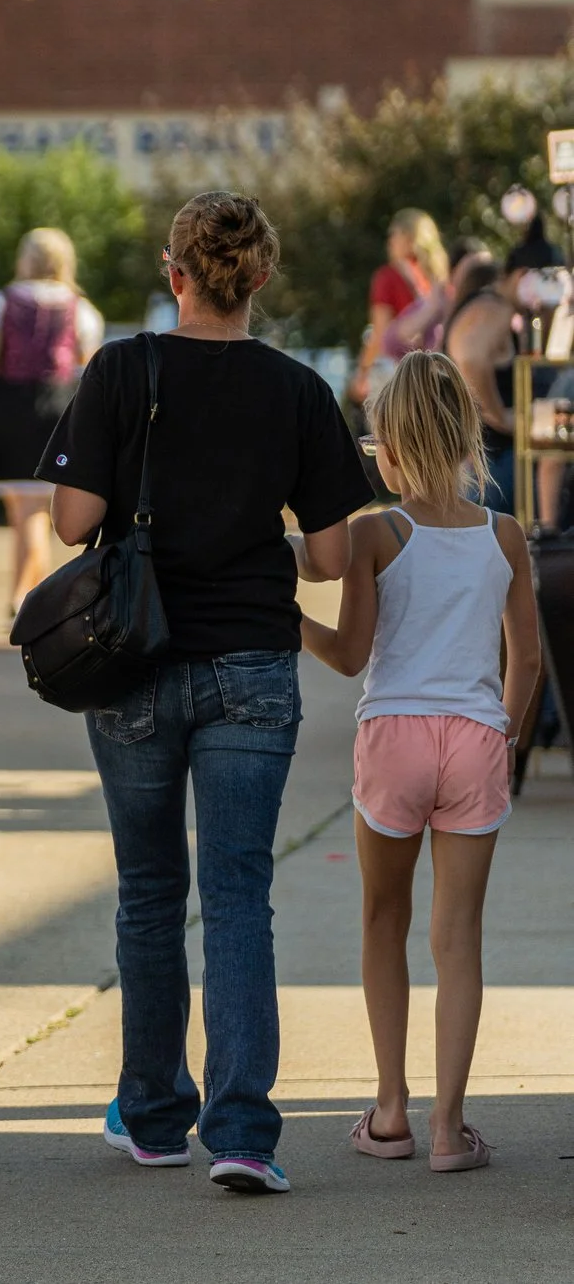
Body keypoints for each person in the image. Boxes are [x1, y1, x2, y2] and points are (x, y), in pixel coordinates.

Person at [42, 191, 375, 1196]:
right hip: (251, 664)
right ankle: (241, 1130)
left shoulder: (119, 369)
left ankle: (151, 1112)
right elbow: (325, 554)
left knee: (149, 893)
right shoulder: (299, 391)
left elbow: (67, 523)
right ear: (259, 279)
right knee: (238, 897)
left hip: (133, 661)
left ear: (171, 269)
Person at [296, 351, 538, 1175]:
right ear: (467, 438)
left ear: (390, 450)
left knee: (382, 920)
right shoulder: (504, 535)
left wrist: (287, 612)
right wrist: (499, 735)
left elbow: (348, 652)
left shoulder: (374, 532)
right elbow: (529, 659)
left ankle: (391, 1109)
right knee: (457, 936)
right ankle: (449, 1129)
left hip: (394, 734)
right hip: (474, 737)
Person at [0, 228, 105, 609]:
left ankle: (22, 596)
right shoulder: (82, 308)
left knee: (24, 508)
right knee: (35, 509)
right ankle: (37, 594)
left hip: (10, 407)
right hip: (60, 407)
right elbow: (90, 370)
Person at [444, 226, 553, 513]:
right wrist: (501, 417)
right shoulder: (496, 307)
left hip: (479, 463)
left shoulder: (486, 304)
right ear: (522, 276)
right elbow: (471, 359)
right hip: (493, 463)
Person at [354, 210, 448, 402]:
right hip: (433, 373)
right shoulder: (439, 279)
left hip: (397, 375)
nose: (390, 241)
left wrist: (362, 373)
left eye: (393, 234)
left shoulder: (387, 277)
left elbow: (380, 332)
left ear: (408, 237)